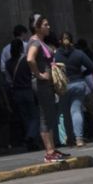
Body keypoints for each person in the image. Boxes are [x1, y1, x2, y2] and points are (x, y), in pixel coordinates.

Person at [25, 14, 71, 164]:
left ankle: (52, 148)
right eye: (45, 25)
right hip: (42, 84)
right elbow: (30, 59)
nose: (48, 27)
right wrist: (39, 74)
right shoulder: (35, 42)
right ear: (37, 27)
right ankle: (49, 152)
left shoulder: (40, 41)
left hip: (47, 84)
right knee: (45, 116)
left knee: (50, 115)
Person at [54, 32, 93, 147]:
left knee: (65, 113)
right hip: (78, 83)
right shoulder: (79, 53)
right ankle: (79, 139)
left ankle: (70, 139)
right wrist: (82, 74)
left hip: (63, 86)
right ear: (72, 40)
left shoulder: (56, 55)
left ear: (60, 41)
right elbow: (92, 66)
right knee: (76, 111)